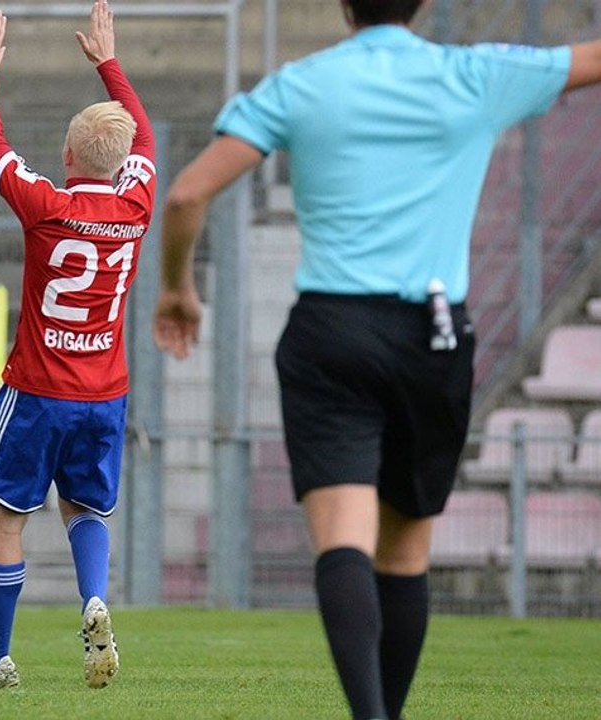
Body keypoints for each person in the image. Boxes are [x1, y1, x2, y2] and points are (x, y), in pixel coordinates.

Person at [153, 2, 601, 718]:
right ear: (423, 4)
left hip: (331, 331)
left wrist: (177, 288)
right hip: (434, 334)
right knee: (404, 555)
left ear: (342, 5)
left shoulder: (301, 83)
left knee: (344, 544)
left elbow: (185, 196)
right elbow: (593, 58)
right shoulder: (475, 74)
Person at [0, 0, 155, 691]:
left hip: (38, 390)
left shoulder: (46, 204)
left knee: (5, 518)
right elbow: (148, 140)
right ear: (126, 162)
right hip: (105, 394)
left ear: (68, 156)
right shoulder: (136, 206)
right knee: (86, 508)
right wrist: (108, 62)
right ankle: (93, 598)